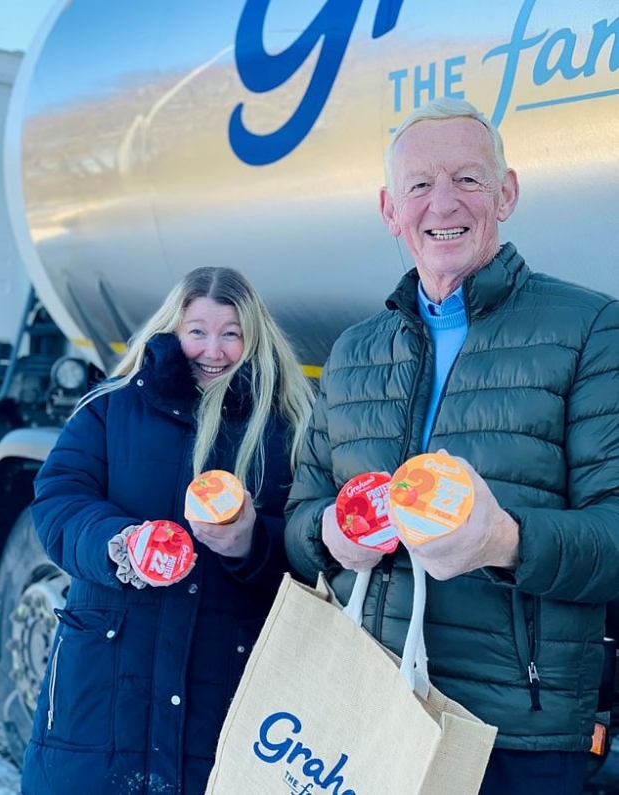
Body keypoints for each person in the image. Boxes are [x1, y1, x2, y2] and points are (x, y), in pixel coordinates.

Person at [285, 96, 619, 795]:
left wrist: (504, 538)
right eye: (419, 185)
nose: (444, 202)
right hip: (364, 713)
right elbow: (299, 516)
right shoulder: (353, 352)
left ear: (507, 193)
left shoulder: (593, 330)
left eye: (468, 179)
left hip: (512, 736)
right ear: (389, 209)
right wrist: (328, 534)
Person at [20, 266, 314, 795]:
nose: (213, 351)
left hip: (221, 674)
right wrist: (119, 544)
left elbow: (310, 543)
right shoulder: (112, 407)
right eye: (197, 331)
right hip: (107, 684)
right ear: (174, 329)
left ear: (254, 337)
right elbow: (60, 498)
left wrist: (252, 541)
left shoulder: (285, 427)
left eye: (231, 333)